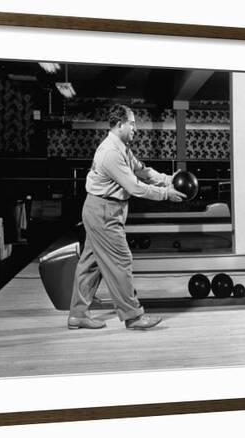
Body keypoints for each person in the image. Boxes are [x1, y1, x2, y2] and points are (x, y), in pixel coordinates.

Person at [68, 104, 185, 331]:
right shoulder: (111, 153)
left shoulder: (121, 148)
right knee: (121, 261)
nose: (135, 128)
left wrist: (169, 179)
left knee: (90, 265)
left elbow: (143, 171)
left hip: (101, 210)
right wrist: (166, 194)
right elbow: (135, 186)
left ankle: (78, 314)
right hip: (104, 213)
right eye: (132, 123)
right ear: (120, 124)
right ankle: (133, 316)